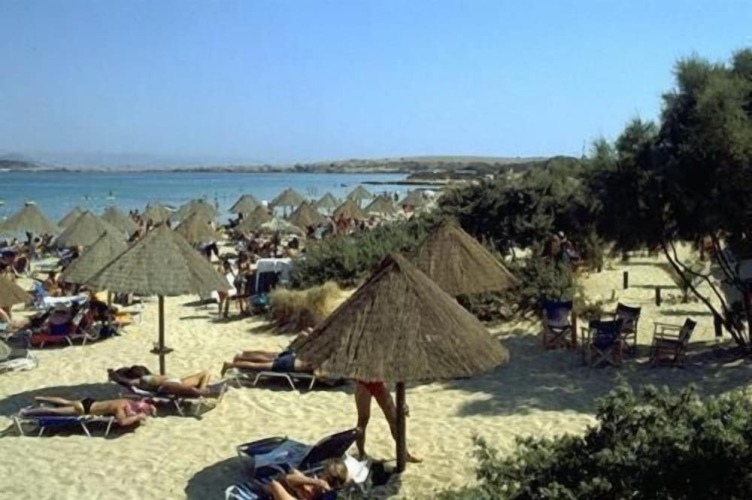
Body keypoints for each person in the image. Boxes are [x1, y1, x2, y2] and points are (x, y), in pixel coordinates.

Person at [354, 380, 421, 463]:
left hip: (379, 383)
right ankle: (361, 454)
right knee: (363, 419)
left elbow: (398, 377)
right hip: (363, 383)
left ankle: (405, 454)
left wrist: (403, 401)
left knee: (393, 419)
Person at [221, 328, 313, 375]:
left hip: (292, 358)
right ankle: (231, 364)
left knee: (264, 358)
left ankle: (241, 358)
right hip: (289, 363)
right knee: (259, 363)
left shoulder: (316, 352)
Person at [20, 396, 156, 426]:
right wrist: (138, 417)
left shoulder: (126, 401)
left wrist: (139, 411)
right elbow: (123, 422)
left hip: (90, 402)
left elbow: (137, 405)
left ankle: (41, 398)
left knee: (66, 401)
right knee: (55, 411)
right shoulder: (119, 408)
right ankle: (26, 413)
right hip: (84, 409)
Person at [263, 458, 348, 500]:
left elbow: (286, 480)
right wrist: (316, 482)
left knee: (275, 485)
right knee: (293, 473)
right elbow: (289, 478)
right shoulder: (319, 485)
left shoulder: (328, 493)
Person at [110, 365, 215, 397]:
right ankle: (199, 391)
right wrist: (113, 375)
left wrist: (113, 375)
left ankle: (201, 389)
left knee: (206, 372)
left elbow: (125, 381)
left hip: (175, 382)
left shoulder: (143, 380)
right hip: (169, 385)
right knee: (170, 385)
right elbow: (167, 384)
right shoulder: (143, 380)